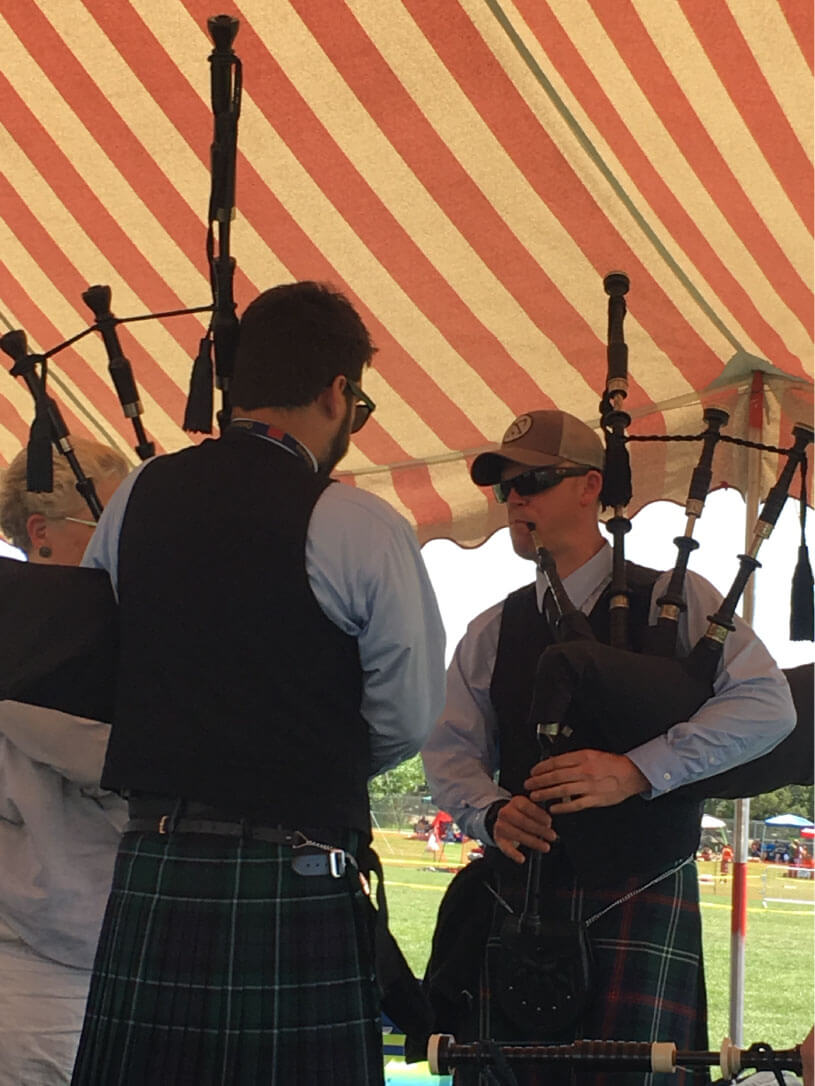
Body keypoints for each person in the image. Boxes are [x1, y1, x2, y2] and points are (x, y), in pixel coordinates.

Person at [71, 281, 446, 1085]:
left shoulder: (138, 495)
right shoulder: (359, 523)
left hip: (154, 862)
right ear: (338, 391)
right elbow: (405, 716)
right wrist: (306, 760)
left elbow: (103, 655)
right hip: (292, 869)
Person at [421, 409, 795, 1084]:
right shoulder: (491, 629)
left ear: (589, 486)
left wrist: (637, 771)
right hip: (521, 902)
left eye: (532, 480)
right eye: (504, 486)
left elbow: (767, 706)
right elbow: (448, 750)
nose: (514, 499)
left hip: (640, 887)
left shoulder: (671, 601)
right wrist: (488, 810)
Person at [0, 438, 130, 1083]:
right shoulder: (48, 651)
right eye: (105, 525)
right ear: (40, 532)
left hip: (111, 957)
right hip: (40, 970)